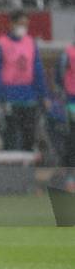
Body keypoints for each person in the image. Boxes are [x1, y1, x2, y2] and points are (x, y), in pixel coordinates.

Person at [0, 10, 49, 151]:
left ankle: (28, 169)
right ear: (12, 24)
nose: (23, 27)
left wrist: (44, 95)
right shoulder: (1, 44)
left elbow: (38, 71)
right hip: (9, 96)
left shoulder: (31, 43)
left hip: (29, 97)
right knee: (10, 136)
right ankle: (11, 170)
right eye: (20, 24)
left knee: (29, 136)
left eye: (26, 24)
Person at [56, 30, 75, 168]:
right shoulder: (68, 53)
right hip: (72, 100)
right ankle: (69, 168)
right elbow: (59, 76)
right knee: (72, 134)